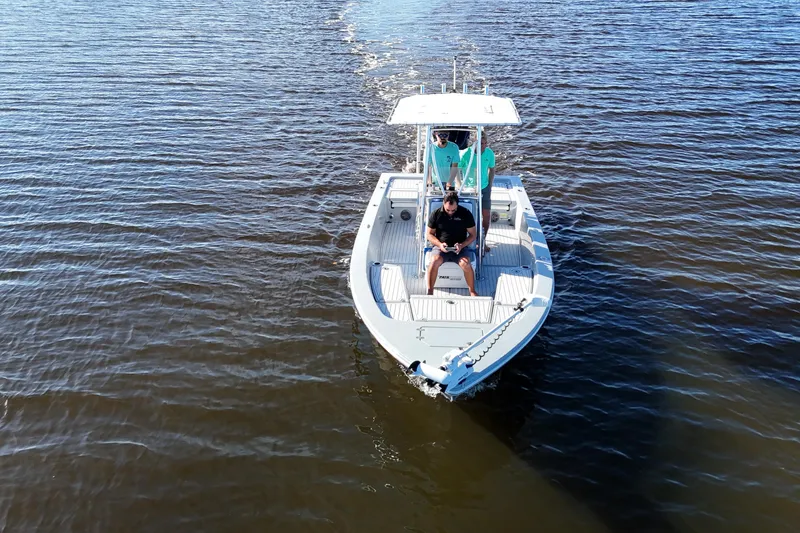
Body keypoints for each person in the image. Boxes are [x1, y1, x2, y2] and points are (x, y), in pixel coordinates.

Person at [426, 192, 478, 297]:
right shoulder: (436, 214)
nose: (450, 212)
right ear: (443, 203)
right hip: (441, 247)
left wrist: (462, 245)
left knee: (466, 264)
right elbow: (429, 234)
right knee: (434, 261)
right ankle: (430, 291)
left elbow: (473, 235)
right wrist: (440, 244)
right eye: (448, 210)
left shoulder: (466, 213)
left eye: (453, 210)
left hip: (460, 248)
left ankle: (472, 291)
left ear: (457, 205)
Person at [458, 133, 495, 253]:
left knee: (486, 215)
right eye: (480, 144)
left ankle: (483, 241)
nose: (483, 146)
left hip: (484, 187)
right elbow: (456, 169)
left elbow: (492, 169)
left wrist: (489, 186)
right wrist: (459, 186)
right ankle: (467, 241)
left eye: (485, 144)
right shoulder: (465, 154)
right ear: (474, 143)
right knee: (470, 216)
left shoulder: (489, 153)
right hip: (469, 189)